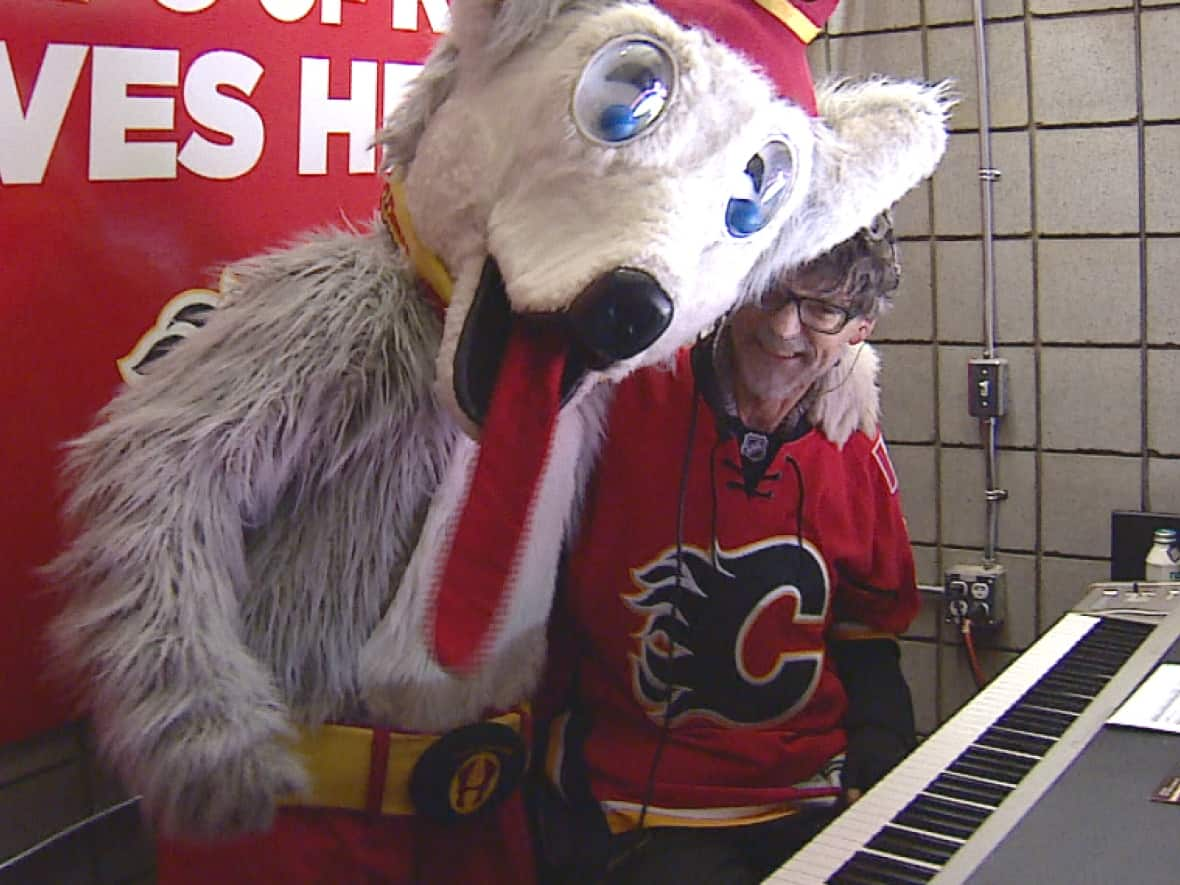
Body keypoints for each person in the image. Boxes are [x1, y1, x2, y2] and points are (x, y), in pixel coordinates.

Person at [531, 213, 920, 884]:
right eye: (771, 290)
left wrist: (884, 735)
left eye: (823, 308)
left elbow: (868, 626)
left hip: (812, 795)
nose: (783, 328)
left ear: (861, 330)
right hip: (644, 806)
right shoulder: (623, 398)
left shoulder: (852, 441)